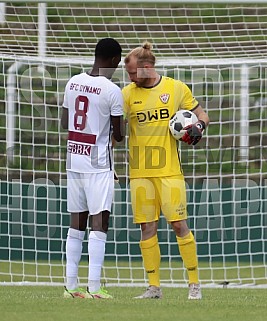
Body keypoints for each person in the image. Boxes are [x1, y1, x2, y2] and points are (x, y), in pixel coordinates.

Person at [122, 41, 209, 300]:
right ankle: (154, 287)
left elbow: (202, 115)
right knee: (147, 228)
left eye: (132, 73)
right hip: (139, 173)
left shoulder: (175, 88)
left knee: (179, 224)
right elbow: (114, 126)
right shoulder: (127, 94)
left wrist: (198, 128)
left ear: (147, 68)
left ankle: (194, 284)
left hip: (169, 171)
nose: (129, 78)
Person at [61, 38, 124, 299]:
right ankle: (95, 287)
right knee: (100, 221)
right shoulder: (112, 90)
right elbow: (119, 135)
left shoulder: (72, 82)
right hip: (98, 165)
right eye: (118, 62)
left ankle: (70, 286)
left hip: (74, 159)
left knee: (77, 222)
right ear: (113, 60)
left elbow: (66, 120)